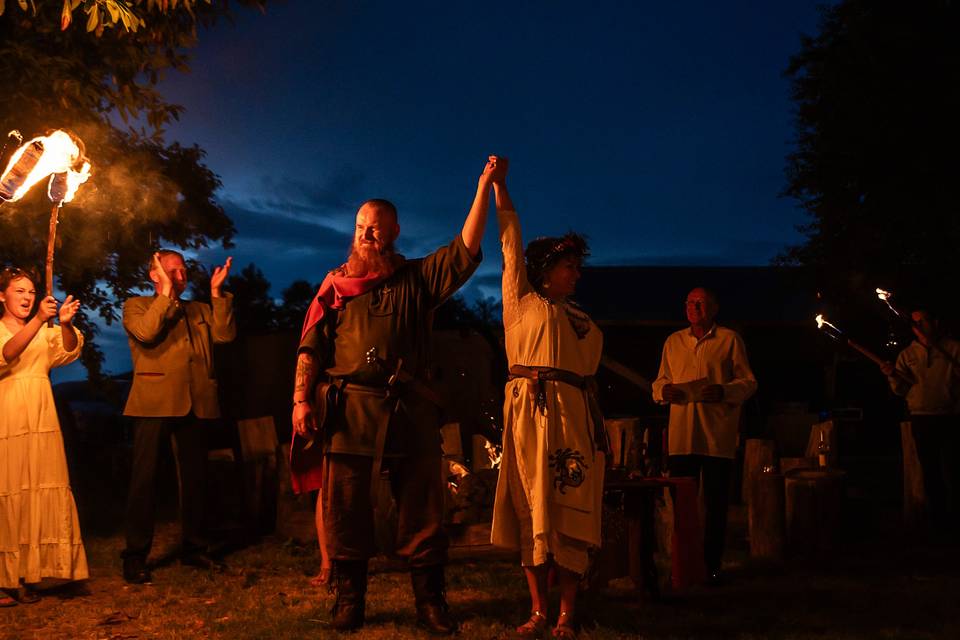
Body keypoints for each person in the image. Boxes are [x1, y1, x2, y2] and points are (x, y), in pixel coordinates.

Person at [290, 157, 497, 634]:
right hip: (350, 412)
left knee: (423, 510)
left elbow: (466, 248)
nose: (367, 235)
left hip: (409, 409)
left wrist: (483, 187)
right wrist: (301, 400)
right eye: (361, 226)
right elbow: (311, 346)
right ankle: (350, 601)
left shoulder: (418, 279)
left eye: (376, 228)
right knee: (345, 509)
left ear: (395, 231)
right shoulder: (337, 285)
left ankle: (430, 602)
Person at [489, 162, 606, 640]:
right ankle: (539, 610)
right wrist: (500, 187)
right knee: (532, 508)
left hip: (569, 413)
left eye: (577, 266)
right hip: (526, 412)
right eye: (567, 266)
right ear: (544, 271)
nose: (575, 274)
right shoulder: (520, 301)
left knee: (570, 504)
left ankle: (566, 614)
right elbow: (510, 239)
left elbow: (590, 369)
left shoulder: (579, 319)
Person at [120, 250, 235, 584]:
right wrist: (166, 295)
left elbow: (225, 336)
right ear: (154, 275)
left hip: (195, 402)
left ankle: (195, 549)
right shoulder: (136, 305)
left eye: (184, 270)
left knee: (196, 480)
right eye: (172, 271)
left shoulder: (198, 309)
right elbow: (146, 333)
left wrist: (216, 294)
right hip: (154, 402)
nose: (181, 276)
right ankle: (135, 555)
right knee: (145, 481)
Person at [652, 287, 757, 585]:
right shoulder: (673, 342)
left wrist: (724, 391)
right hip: (682, 437)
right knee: (681, 505)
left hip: (715, 438)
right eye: (689, 303)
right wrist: (664, 391)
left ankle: (711, 565)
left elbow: (748, 382)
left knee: (715, 504)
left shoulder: (728, 340)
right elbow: (660, 379)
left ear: (713, 308)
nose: (693, 308)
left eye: (699, 303)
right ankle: (682, 564)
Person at [0, 267, 87, 606]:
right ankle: (3, 578)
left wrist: (63, 323)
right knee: (9, 490)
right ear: (2, 295)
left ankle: (28, 573)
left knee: (38, 488)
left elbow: (67, 351)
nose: (26, 297)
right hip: (8, 414)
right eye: (19, 290)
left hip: (41, 411)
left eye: (31, 291)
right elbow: (7, 354)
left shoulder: (45, 330)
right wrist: (38, 319)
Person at [881, 307, 960, 533]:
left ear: (934, 323)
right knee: (931, 472)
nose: (920, 327)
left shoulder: (954, 349)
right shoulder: (907, 356)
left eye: (923, 321)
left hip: (951, 417)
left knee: (954, 470)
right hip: (922, 419)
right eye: (915, 324)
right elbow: (902, 390)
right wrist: (891, 375)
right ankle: (939, 523)